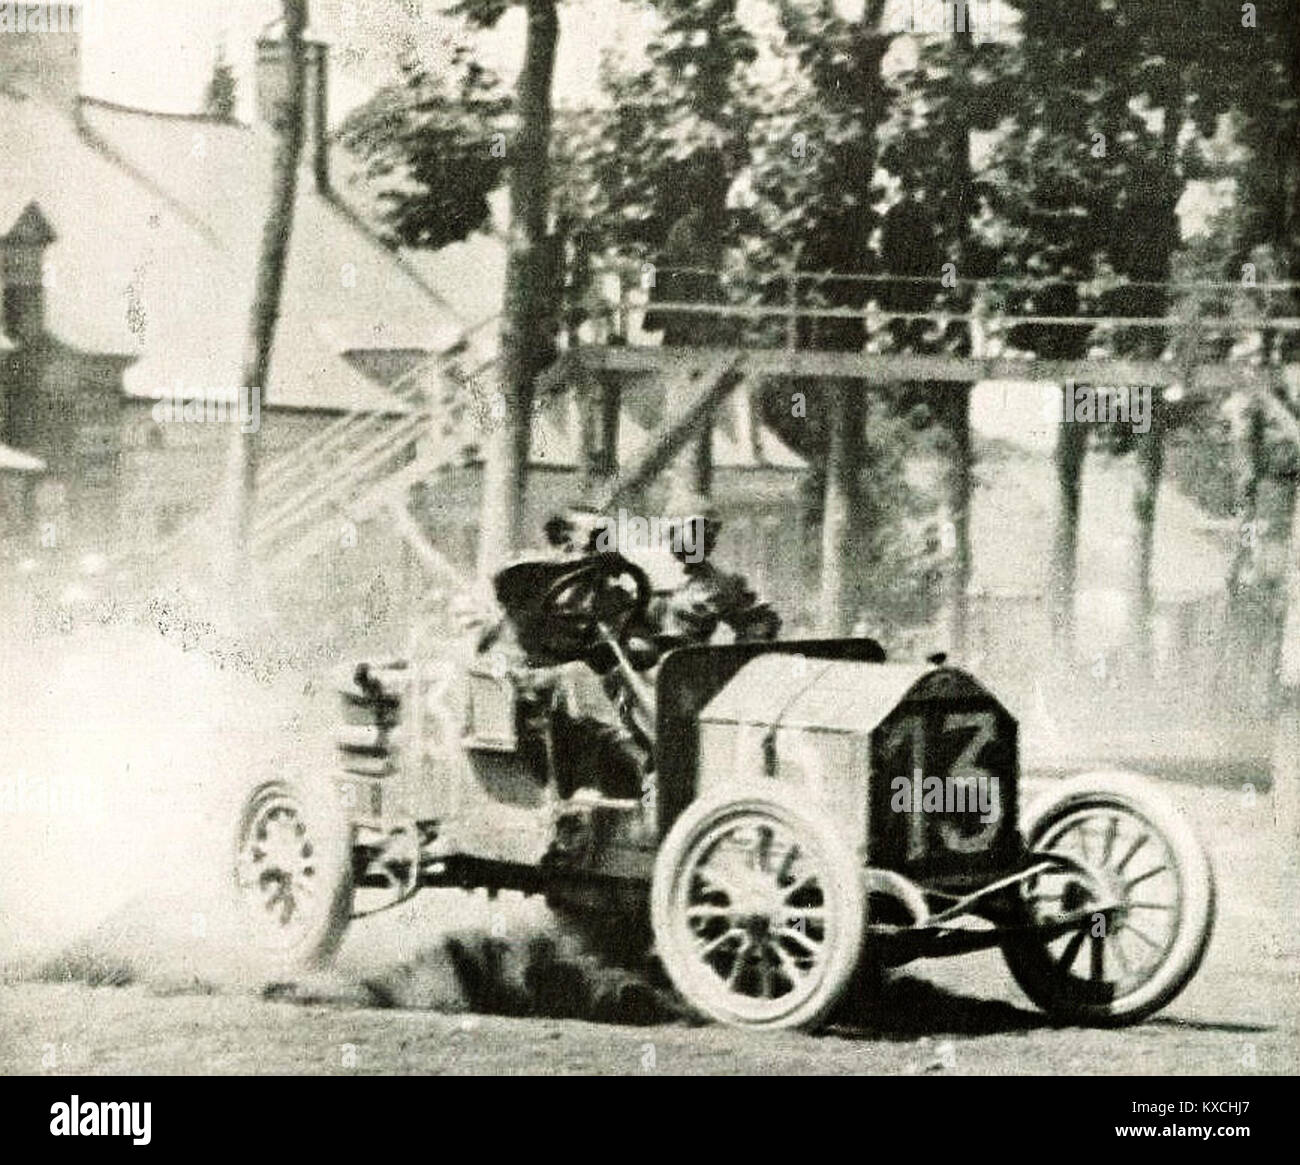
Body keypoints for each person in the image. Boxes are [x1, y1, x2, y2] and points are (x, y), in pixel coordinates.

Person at [653, 507, 782, 646]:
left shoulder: (724, 584)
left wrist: (753, 637)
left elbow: (760, 620)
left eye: (701, 538)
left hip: (689, 657)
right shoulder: (653, 576)